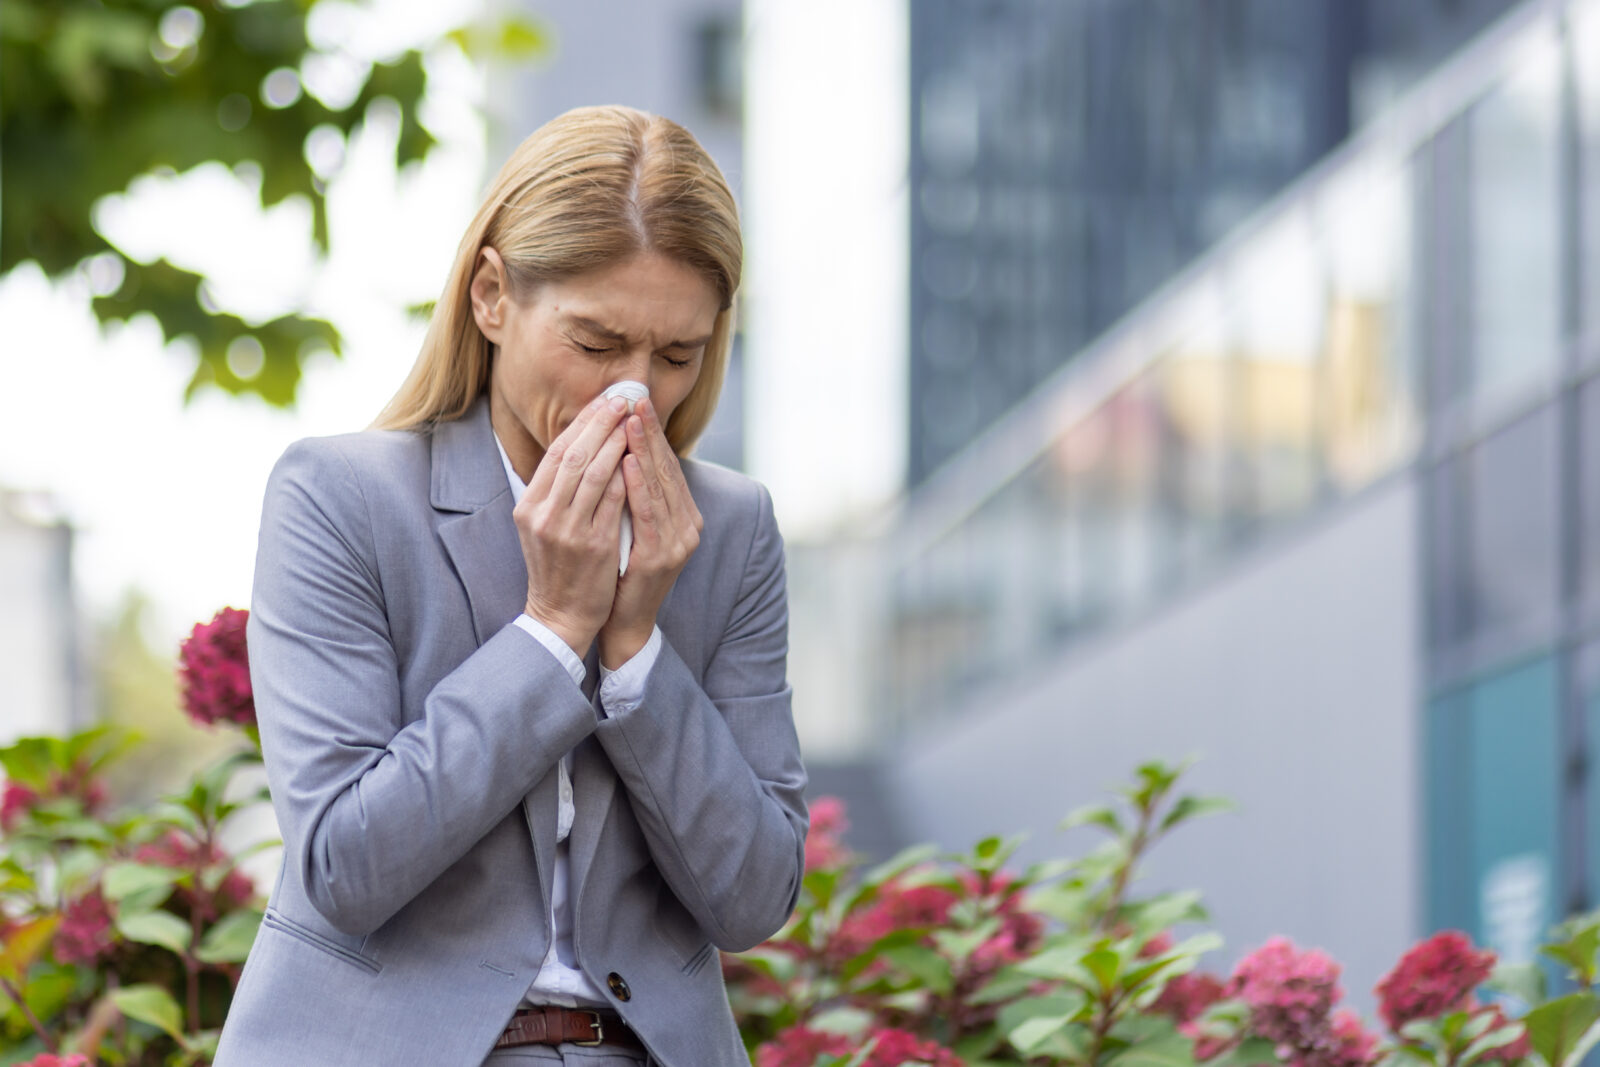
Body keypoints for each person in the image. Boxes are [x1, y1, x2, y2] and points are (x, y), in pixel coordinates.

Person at [214, 105, 808, 1066]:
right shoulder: (343, 497)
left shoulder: (730, 532)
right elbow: (343, 864)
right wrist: (554, 629)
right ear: (492, 295)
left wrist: (635, 653)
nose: (634, 396)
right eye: (596, 341)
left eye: (676, 356)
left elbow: (754, 896)